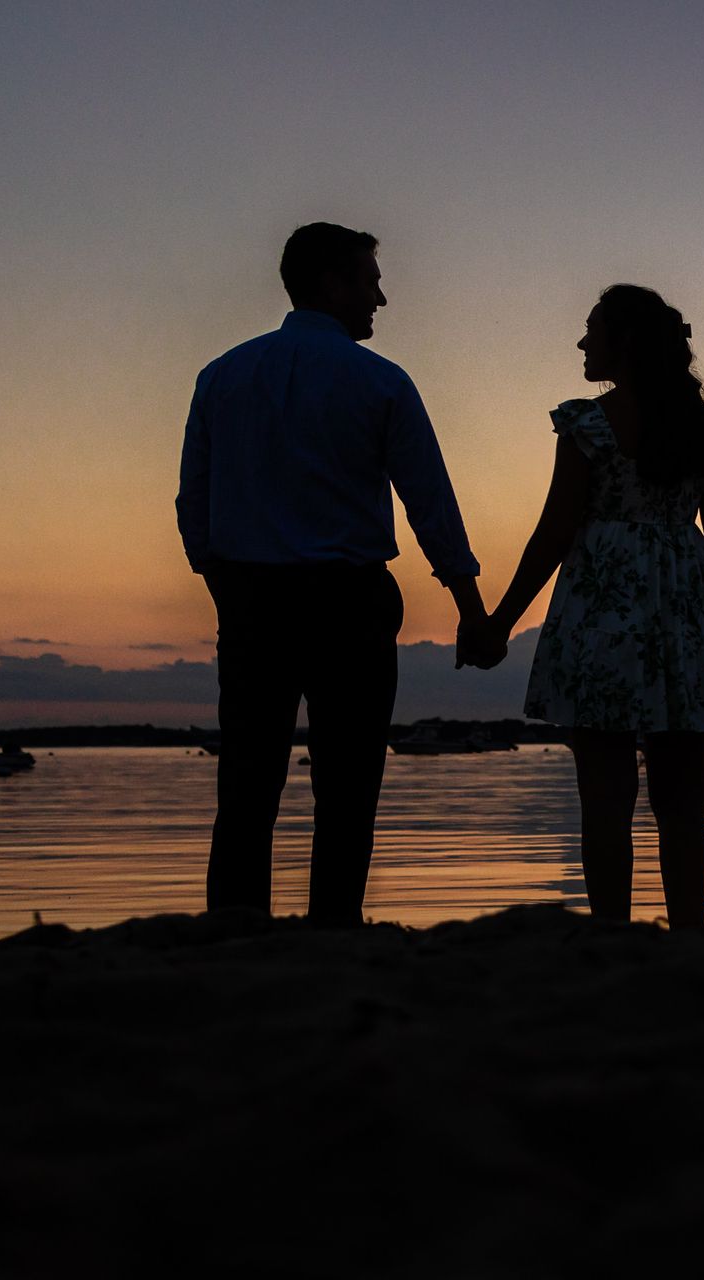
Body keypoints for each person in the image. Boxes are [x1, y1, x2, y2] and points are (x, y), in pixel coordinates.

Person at [176, 222, 492, 925]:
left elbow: (193, 499)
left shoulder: (223, 376)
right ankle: (334, 934)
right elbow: (430, 503)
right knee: (349, 786)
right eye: (370, 280)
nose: (381, 296)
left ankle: (236, 934)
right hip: (348, 600)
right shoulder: (380, 381)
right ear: (331, 283)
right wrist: (471, 610)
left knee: (247, 783)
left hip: (253, 596)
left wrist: (222, 582)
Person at [464, 284, 704, 927]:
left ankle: (614, 939)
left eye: (592, 329)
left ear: (625, 342)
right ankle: (689, 942)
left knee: (606, 804)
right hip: (684, 623)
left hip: (601, 621)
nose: (582, 342)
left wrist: (499, 622)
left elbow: (554, 533)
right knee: (683, 808)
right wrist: (702, 633)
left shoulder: (588, 424)